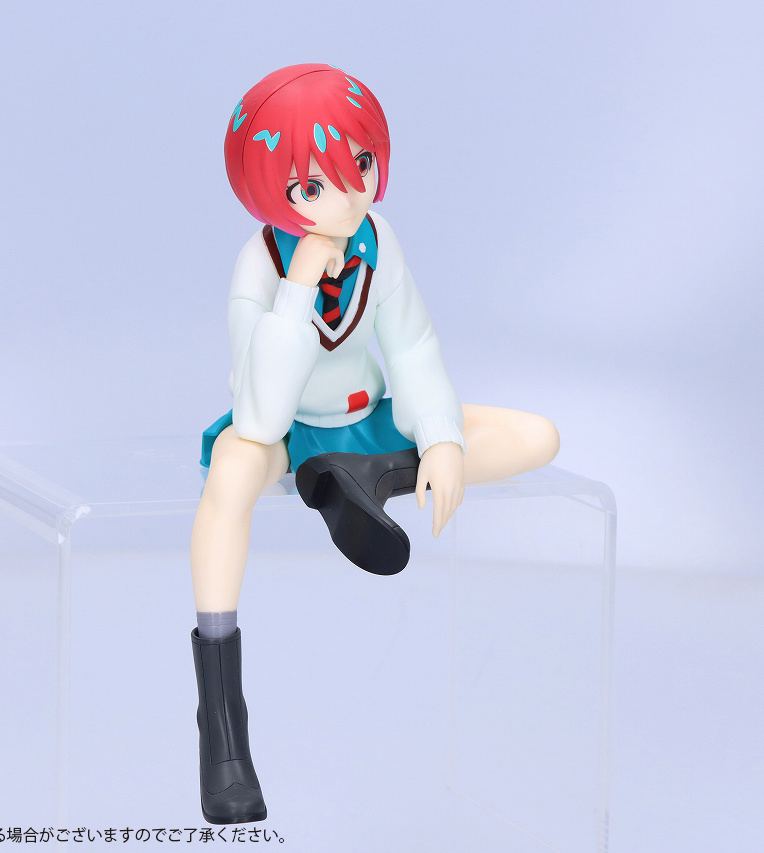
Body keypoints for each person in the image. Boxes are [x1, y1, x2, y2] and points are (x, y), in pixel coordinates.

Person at [189, 64, 560, 825]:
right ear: (271, 192)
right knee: (230, 471)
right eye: (313, 185)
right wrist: (298, 287)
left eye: (360, 164)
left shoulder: (378, 240)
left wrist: (442, 438)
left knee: (535, 436)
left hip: (368, 422)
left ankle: (371, 473)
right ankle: (223, 730)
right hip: (287, 431)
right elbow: (259, 410)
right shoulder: (260, 264)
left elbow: (412, 345)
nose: (350, 194)